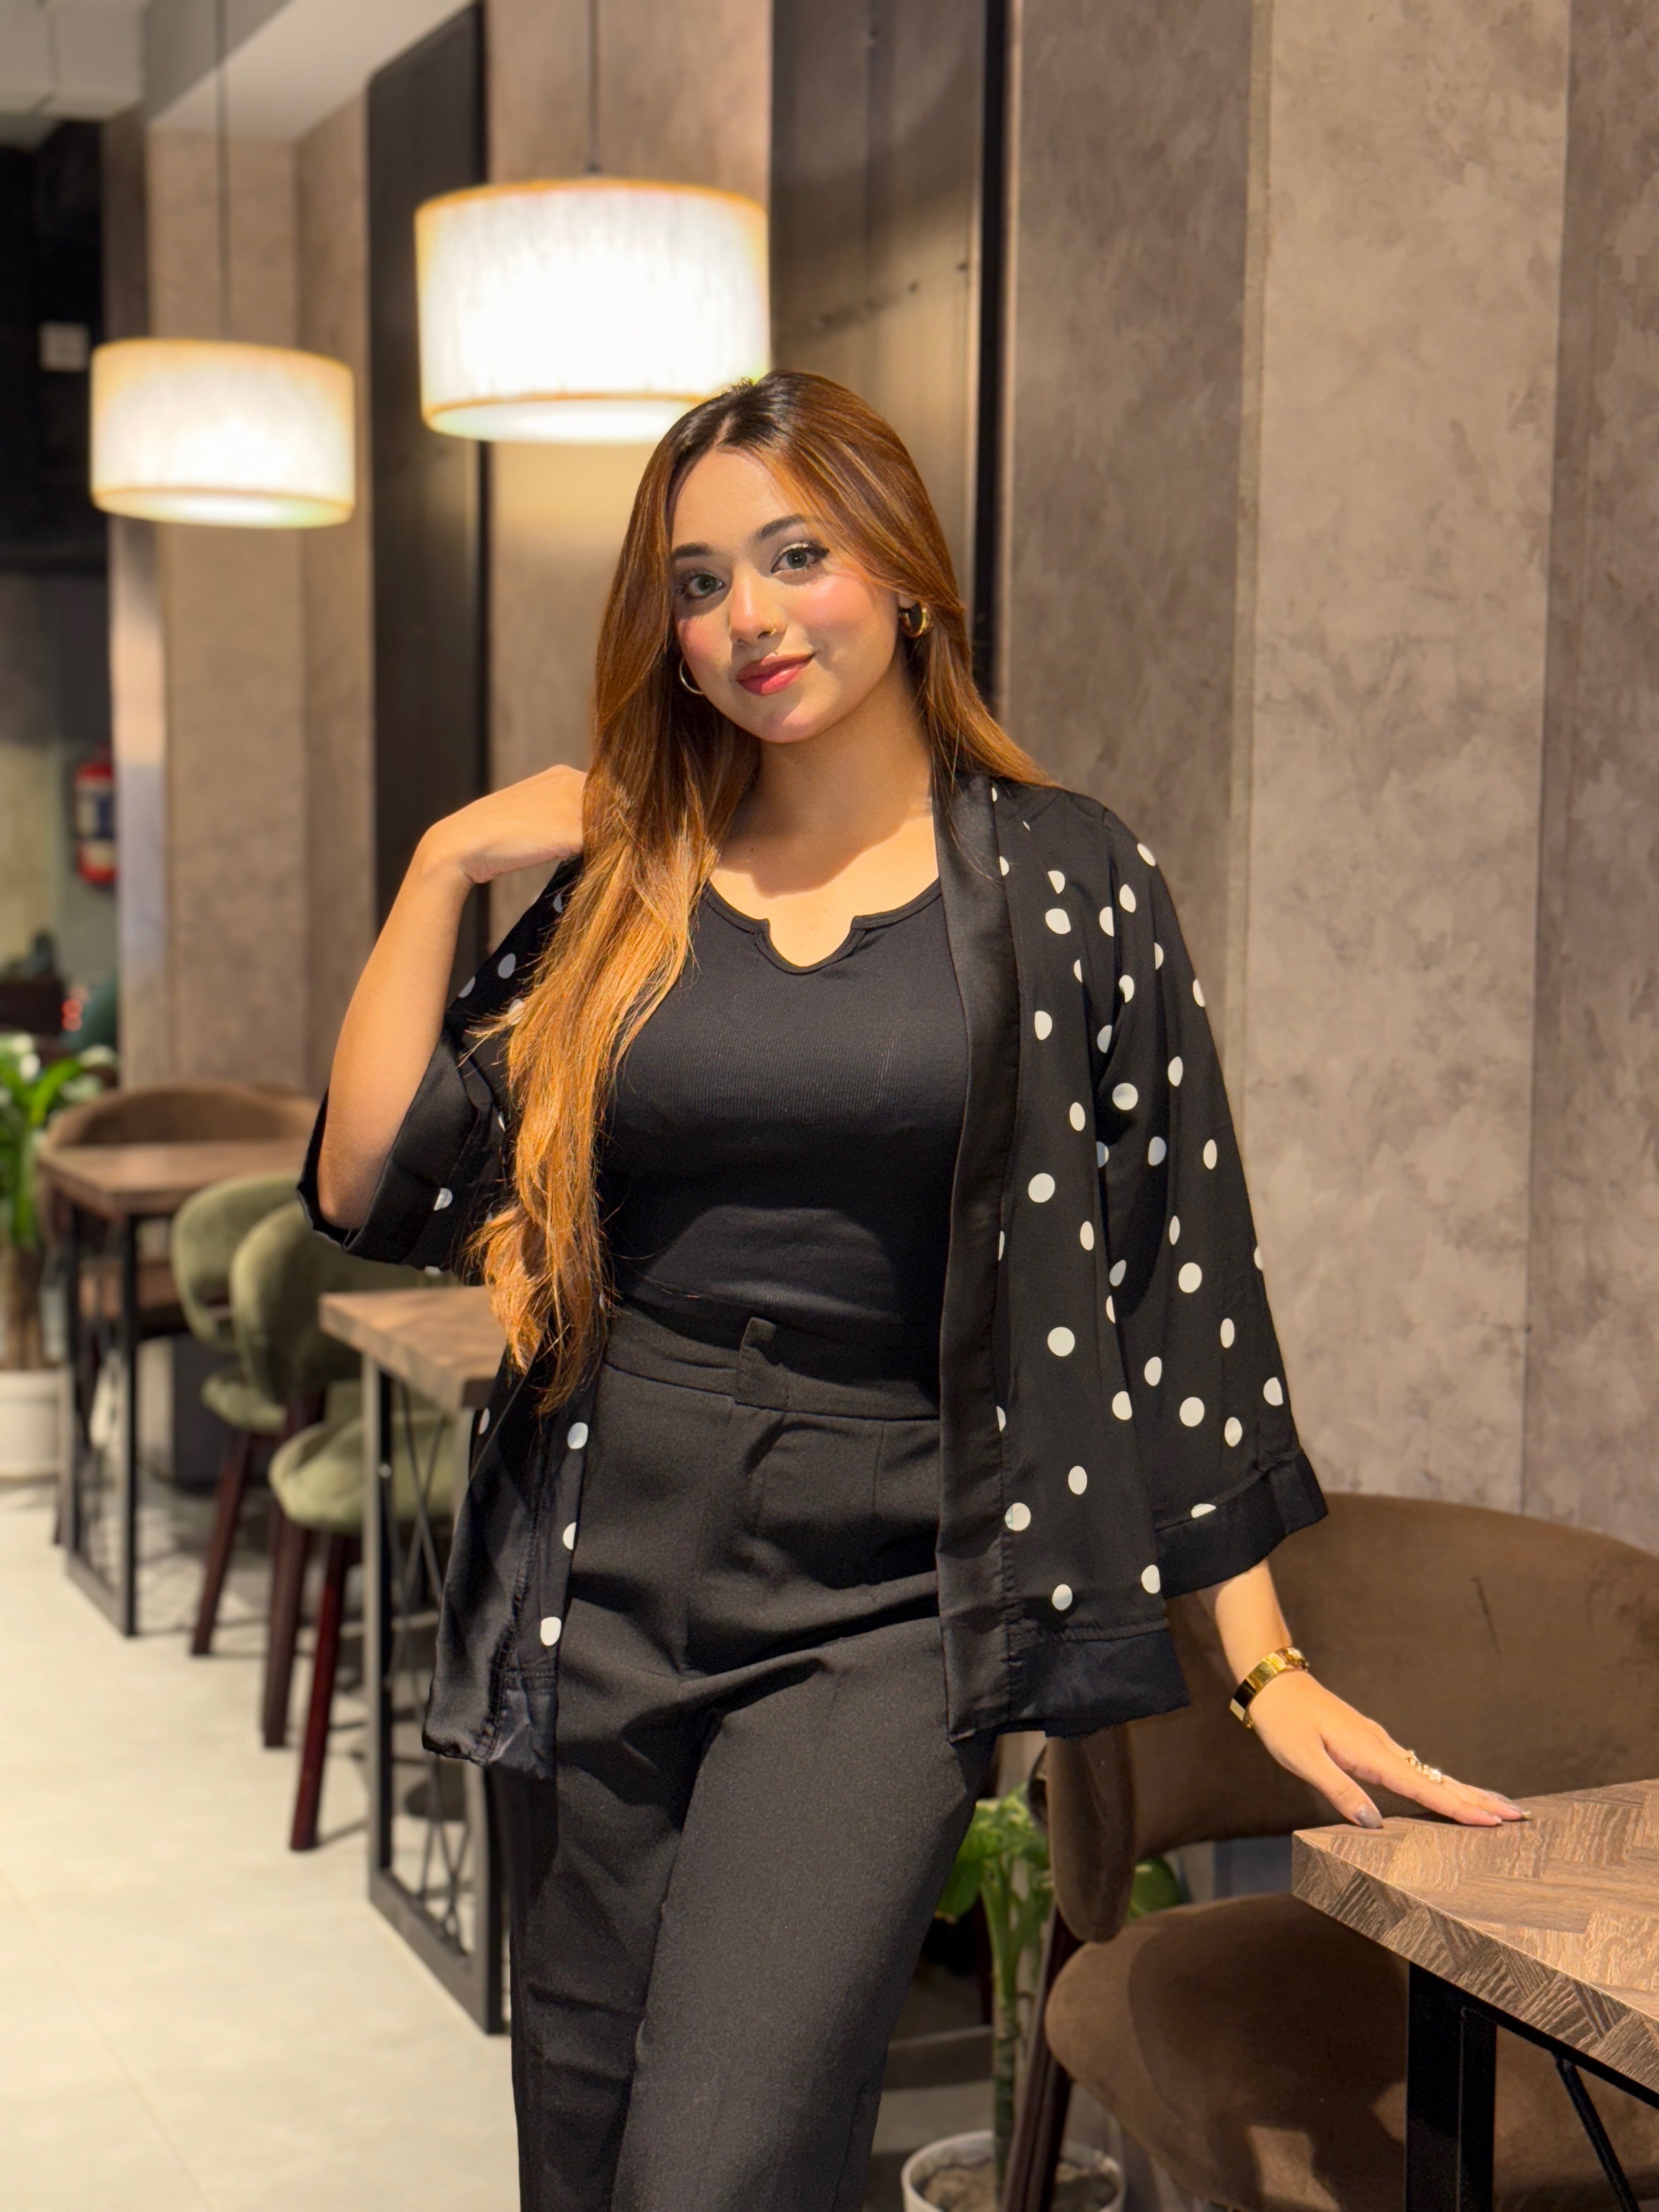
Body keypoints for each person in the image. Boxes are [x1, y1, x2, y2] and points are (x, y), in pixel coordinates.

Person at [302, 370, 1523, 2212]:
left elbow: (1169, 1281)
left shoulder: (1068, 882)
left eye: (797, 554)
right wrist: (445, 862)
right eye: (700, 582)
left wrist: (1261, 1664)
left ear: (904, 569)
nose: (750, 617)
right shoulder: (636, 880)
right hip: (599, 1559)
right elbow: (372, 1176)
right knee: (583, 2133)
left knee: (716, 2162)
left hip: (883, 1599)